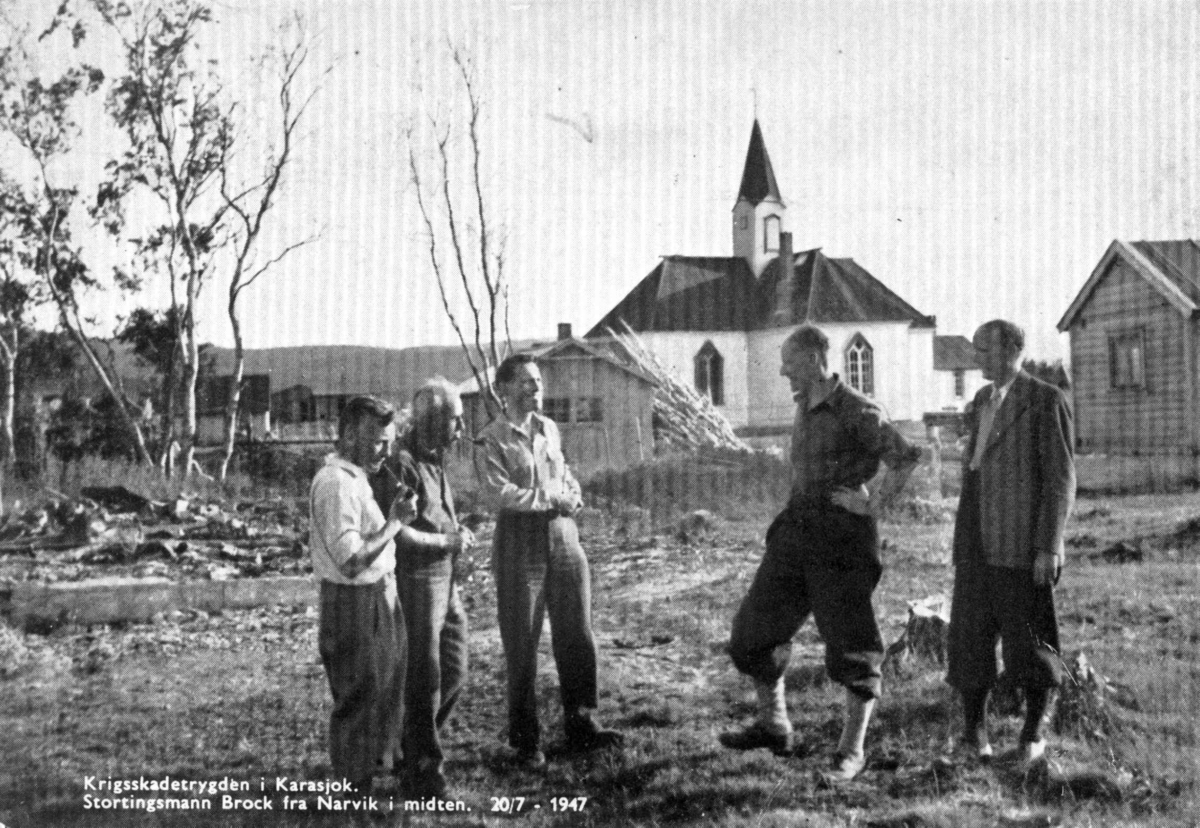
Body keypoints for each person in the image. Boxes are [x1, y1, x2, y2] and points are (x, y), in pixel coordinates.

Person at [722, 324, 921, 781]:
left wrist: (873, 503)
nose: (782, 371)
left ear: (814, 359)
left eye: (789, 362)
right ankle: (774, 725)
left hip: (842, 542)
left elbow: (905, 457)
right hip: (795, 534)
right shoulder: (803, 405)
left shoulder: (858, 409)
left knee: (852, 645)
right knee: (752, 632)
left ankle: (852, 752)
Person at [474, 353, 623, 769]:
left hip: (564, 538)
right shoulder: (491, 439)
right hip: (520, 545)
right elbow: (496, 494)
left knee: (577, 633)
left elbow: (564, 472)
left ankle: (583, 724)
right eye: (524, 382)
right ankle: (525, 742)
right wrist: (547, 498)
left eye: (538, 381)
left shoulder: (549, 429)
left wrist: (572, 492)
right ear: (502, 390)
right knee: (522, 644)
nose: (535, 388)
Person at [946, 320, 1075, 767]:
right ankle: (974, 734)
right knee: (969, 639)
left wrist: (1049, 545)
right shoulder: (981, 400)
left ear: (1012, 351)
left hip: (1021, 543)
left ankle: (1033, 733)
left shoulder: (1044, 400)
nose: (975, 358)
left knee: (1030, 642)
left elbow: (1060, 480)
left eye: (983, 350)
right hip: (975, 538)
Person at [370, 379, 473, 799]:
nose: (462, 429)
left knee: (455, 669)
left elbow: (432, 517)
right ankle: (423, 770)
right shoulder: (402, 461)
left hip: (446, 577)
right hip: (417, 580)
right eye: (456, 419)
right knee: (424, 675)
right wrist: (448, 541)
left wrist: (455, 532)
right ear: (432, 418)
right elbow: (399, 534)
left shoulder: (434, 459)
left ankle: (411, 749)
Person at [309, 395, 417, 794]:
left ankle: (367, 779)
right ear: (350, 434)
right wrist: (395, 523)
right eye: (377, 442)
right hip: (353, 601)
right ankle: (354, 792)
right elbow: (351, 560)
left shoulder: (354, 477)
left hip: (377, 594)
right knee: (358, 699)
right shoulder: (336, 483)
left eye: (389, 442)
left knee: (382, 691)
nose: (385, 451)